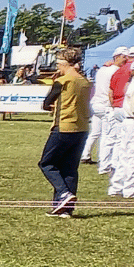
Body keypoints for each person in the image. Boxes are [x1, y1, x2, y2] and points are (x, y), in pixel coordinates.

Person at [36, 48, 91, 217]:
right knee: (69, 169)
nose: (57, 67)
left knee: (47, 163)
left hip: (64, 127)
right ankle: (64, 209)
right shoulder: (86, 82)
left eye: (58, 63)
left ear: (64, 64)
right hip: (81, 128)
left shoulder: (63, 81)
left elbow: (46, 103)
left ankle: (63, 193)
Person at [104, 48, 134, 198]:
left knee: (124, 154)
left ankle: (117, 185)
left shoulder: (131, 85)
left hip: (129, 122)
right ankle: (131, 188)